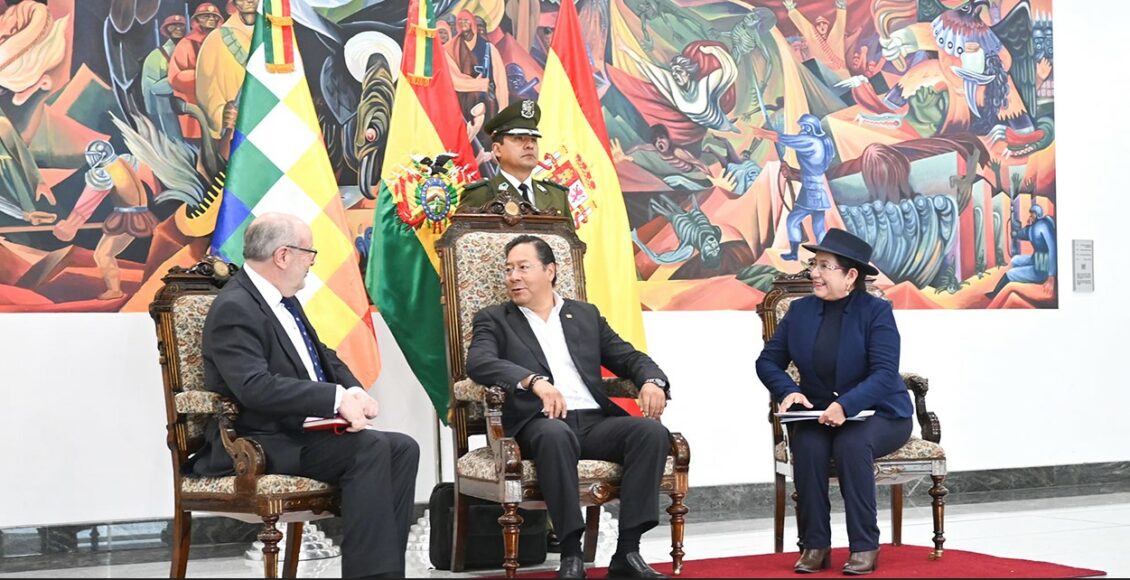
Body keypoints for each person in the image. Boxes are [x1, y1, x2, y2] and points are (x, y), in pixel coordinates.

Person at [195, 212, 420, 579]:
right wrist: (335, 399)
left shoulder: (283, 299)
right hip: (260, 440)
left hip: (299, 432)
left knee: (403, 448)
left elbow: (321, 354)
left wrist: (353, 390)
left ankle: (387, 573)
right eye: (309, 253)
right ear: (283, 256)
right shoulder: (236, 307)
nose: (312, 263)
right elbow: (254, 386)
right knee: (370, 448)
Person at [466, 235, 672, 579]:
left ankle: (627, 551)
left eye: (523, 267)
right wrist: (533, 381)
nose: (513, 276)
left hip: (593, 421)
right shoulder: (495, 319)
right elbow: (479, 363)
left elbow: (629, 357)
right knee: (555, 435)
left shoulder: (585, 315)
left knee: (650, 432)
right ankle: (571, 554)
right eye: (508, 269)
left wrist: (653, 381)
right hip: (539, 421)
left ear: (550, 271)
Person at [755, 228, 912, 575]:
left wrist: (846, 406)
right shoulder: (800, 312)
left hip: (881, 413)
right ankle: (815, 545)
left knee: (851, 444)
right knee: (808, 445)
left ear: (851, 275)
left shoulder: (876, 312)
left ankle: (864, 545)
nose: (814, 273)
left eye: (824, 266)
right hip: (819, 413)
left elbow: (885, 374)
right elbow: (767, 362)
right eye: (814, 264)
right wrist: (788, 390)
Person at [460, 99, 571, 218]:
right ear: (497, 150)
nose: (530, 145)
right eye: (519, 139)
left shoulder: (557, 195)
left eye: (533, 140)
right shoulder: (481, 195)